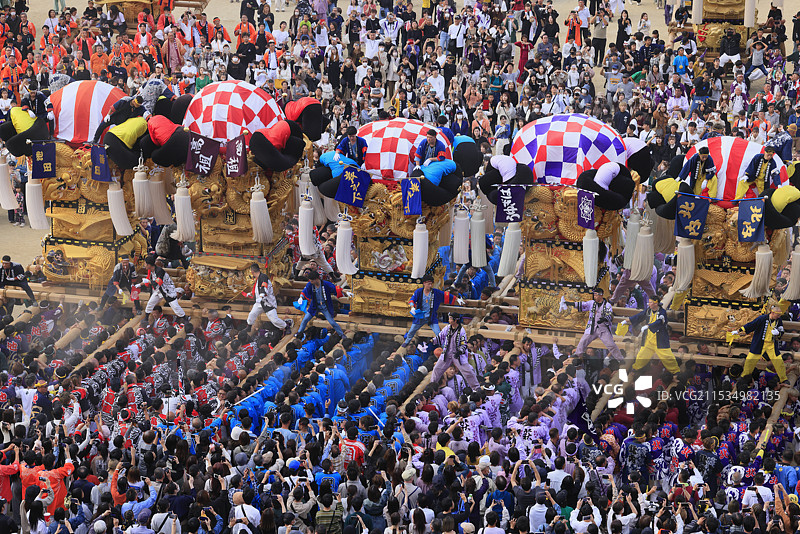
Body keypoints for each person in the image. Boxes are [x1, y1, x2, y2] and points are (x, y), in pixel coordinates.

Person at [622, 295, 680, 374]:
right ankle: (635, 369)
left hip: (659, 340)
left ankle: (676, 371)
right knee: (641, 355)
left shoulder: (662, 312)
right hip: (649, 339)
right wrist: (628, 320)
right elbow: (640, 315)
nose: (649, 304)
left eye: (650, 302)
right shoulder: (648, 310)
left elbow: (660, 321)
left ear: (656, 303)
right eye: (649, 302)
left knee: (667, 357)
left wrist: (648, 326)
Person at [731, 305, 788, 382]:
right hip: (760, 343)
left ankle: (783, 379)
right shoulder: (762, 318)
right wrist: (738, 331)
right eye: (778, 315)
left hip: (771, 344)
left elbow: (781, 330)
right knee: (750, 360)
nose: (779, 316)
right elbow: (751, 324)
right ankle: (744, 376)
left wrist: (778, 333)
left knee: (778, 361)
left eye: (779, 315)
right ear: (772, 313)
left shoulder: (778, 320)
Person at [403, 274, 462, 347]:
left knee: (438, 333)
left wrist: (457, 298)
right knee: (412, 330)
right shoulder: (419, 292)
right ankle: (406, 342)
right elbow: (412, 300)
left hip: (431, 317)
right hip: (420, 317)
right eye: (428, 284)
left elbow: (446, 295)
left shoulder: (435, 292)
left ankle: (444, 347)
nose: (430, 286)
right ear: (424, 283)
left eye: (431, 284)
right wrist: (412, 307)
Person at [564, 288, 623, 360]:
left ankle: (620, 358)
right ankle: (577, 354)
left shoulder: (607, 305)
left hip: (603, 328)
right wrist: (570, 303)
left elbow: (610, 314)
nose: (594, 297)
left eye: (596, 295)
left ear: (601, 295)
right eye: (594, 295)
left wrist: (604, 319)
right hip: (592, 327)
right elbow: (583, 304)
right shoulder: (591, 303)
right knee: (583, 341)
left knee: (611, 345)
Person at [430, 312, 480, 388]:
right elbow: (441, 336)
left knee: (468, 371)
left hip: (458, 355)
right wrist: (432, 340)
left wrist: (459, 352)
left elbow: (463, 343)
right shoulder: (447, 328)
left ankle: (476, 387)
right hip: (447, 353)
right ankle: (432, 386)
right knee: (437, 369)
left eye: (450, 318)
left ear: (455, 320)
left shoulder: (461, 331)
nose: (449, 320)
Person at [296, 271, 349, 338]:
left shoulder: (325, 284)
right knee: (305, 319)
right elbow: (304, 291)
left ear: (316, 279)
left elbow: (335, 288)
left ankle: (341, 334)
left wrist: (344, 291)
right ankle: (299, 333)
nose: (310, 282)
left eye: (312, 280)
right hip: (314, 305)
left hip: (325, 306)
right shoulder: (310, 285)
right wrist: (301, 297)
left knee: (332, 322)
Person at [243, 262, 291, 334]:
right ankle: (249, 326)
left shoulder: (263, 277)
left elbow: (264, 288)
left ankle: (286, 326)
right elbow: (257, 290)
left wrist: (261, 296)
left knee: (274, 320)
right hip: (259, 302)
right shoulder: (258, 278)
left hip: (267, 302)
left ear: (252, 272)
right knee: (252, 314)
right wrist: (250, 294)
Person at [137, 255, 185, 321]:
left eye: (145, 263)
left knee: (175, 306)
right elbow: (148, 280)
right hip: (159, 290)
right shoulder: (150, 270)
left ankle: (184, 318)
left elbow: (158, 282)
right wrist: (140, 284)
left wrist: (148, 281)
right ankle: (146, 317)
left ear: (149, 265)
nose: (144, 265)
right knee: (150, 303)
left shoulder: (159, 270)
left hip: (167, 290)